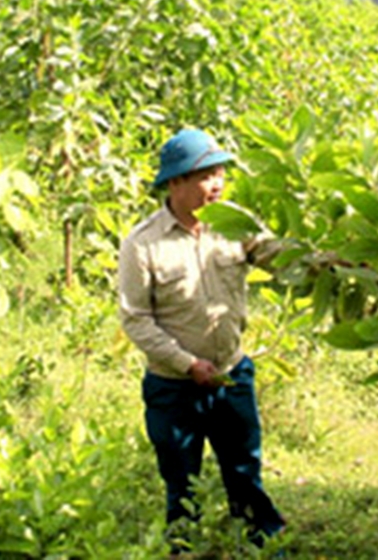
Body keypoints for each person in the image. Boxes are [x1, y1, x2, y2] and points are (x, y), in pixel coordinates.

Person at [118, 128, 286, 550]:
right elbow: (136, 320)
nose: (217, 184)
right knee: (181, 481)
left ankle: (262, 545)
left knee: (245, 470)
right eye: (205, 176)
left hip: (232, 374)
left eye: (219, 173)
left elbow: (277, 254)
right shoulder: (142, 245)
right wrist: (186, 364)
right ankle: (184, 549)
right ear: (175, 183)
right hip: (174, 388)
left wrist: (335, 259)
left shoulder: (233, 223)